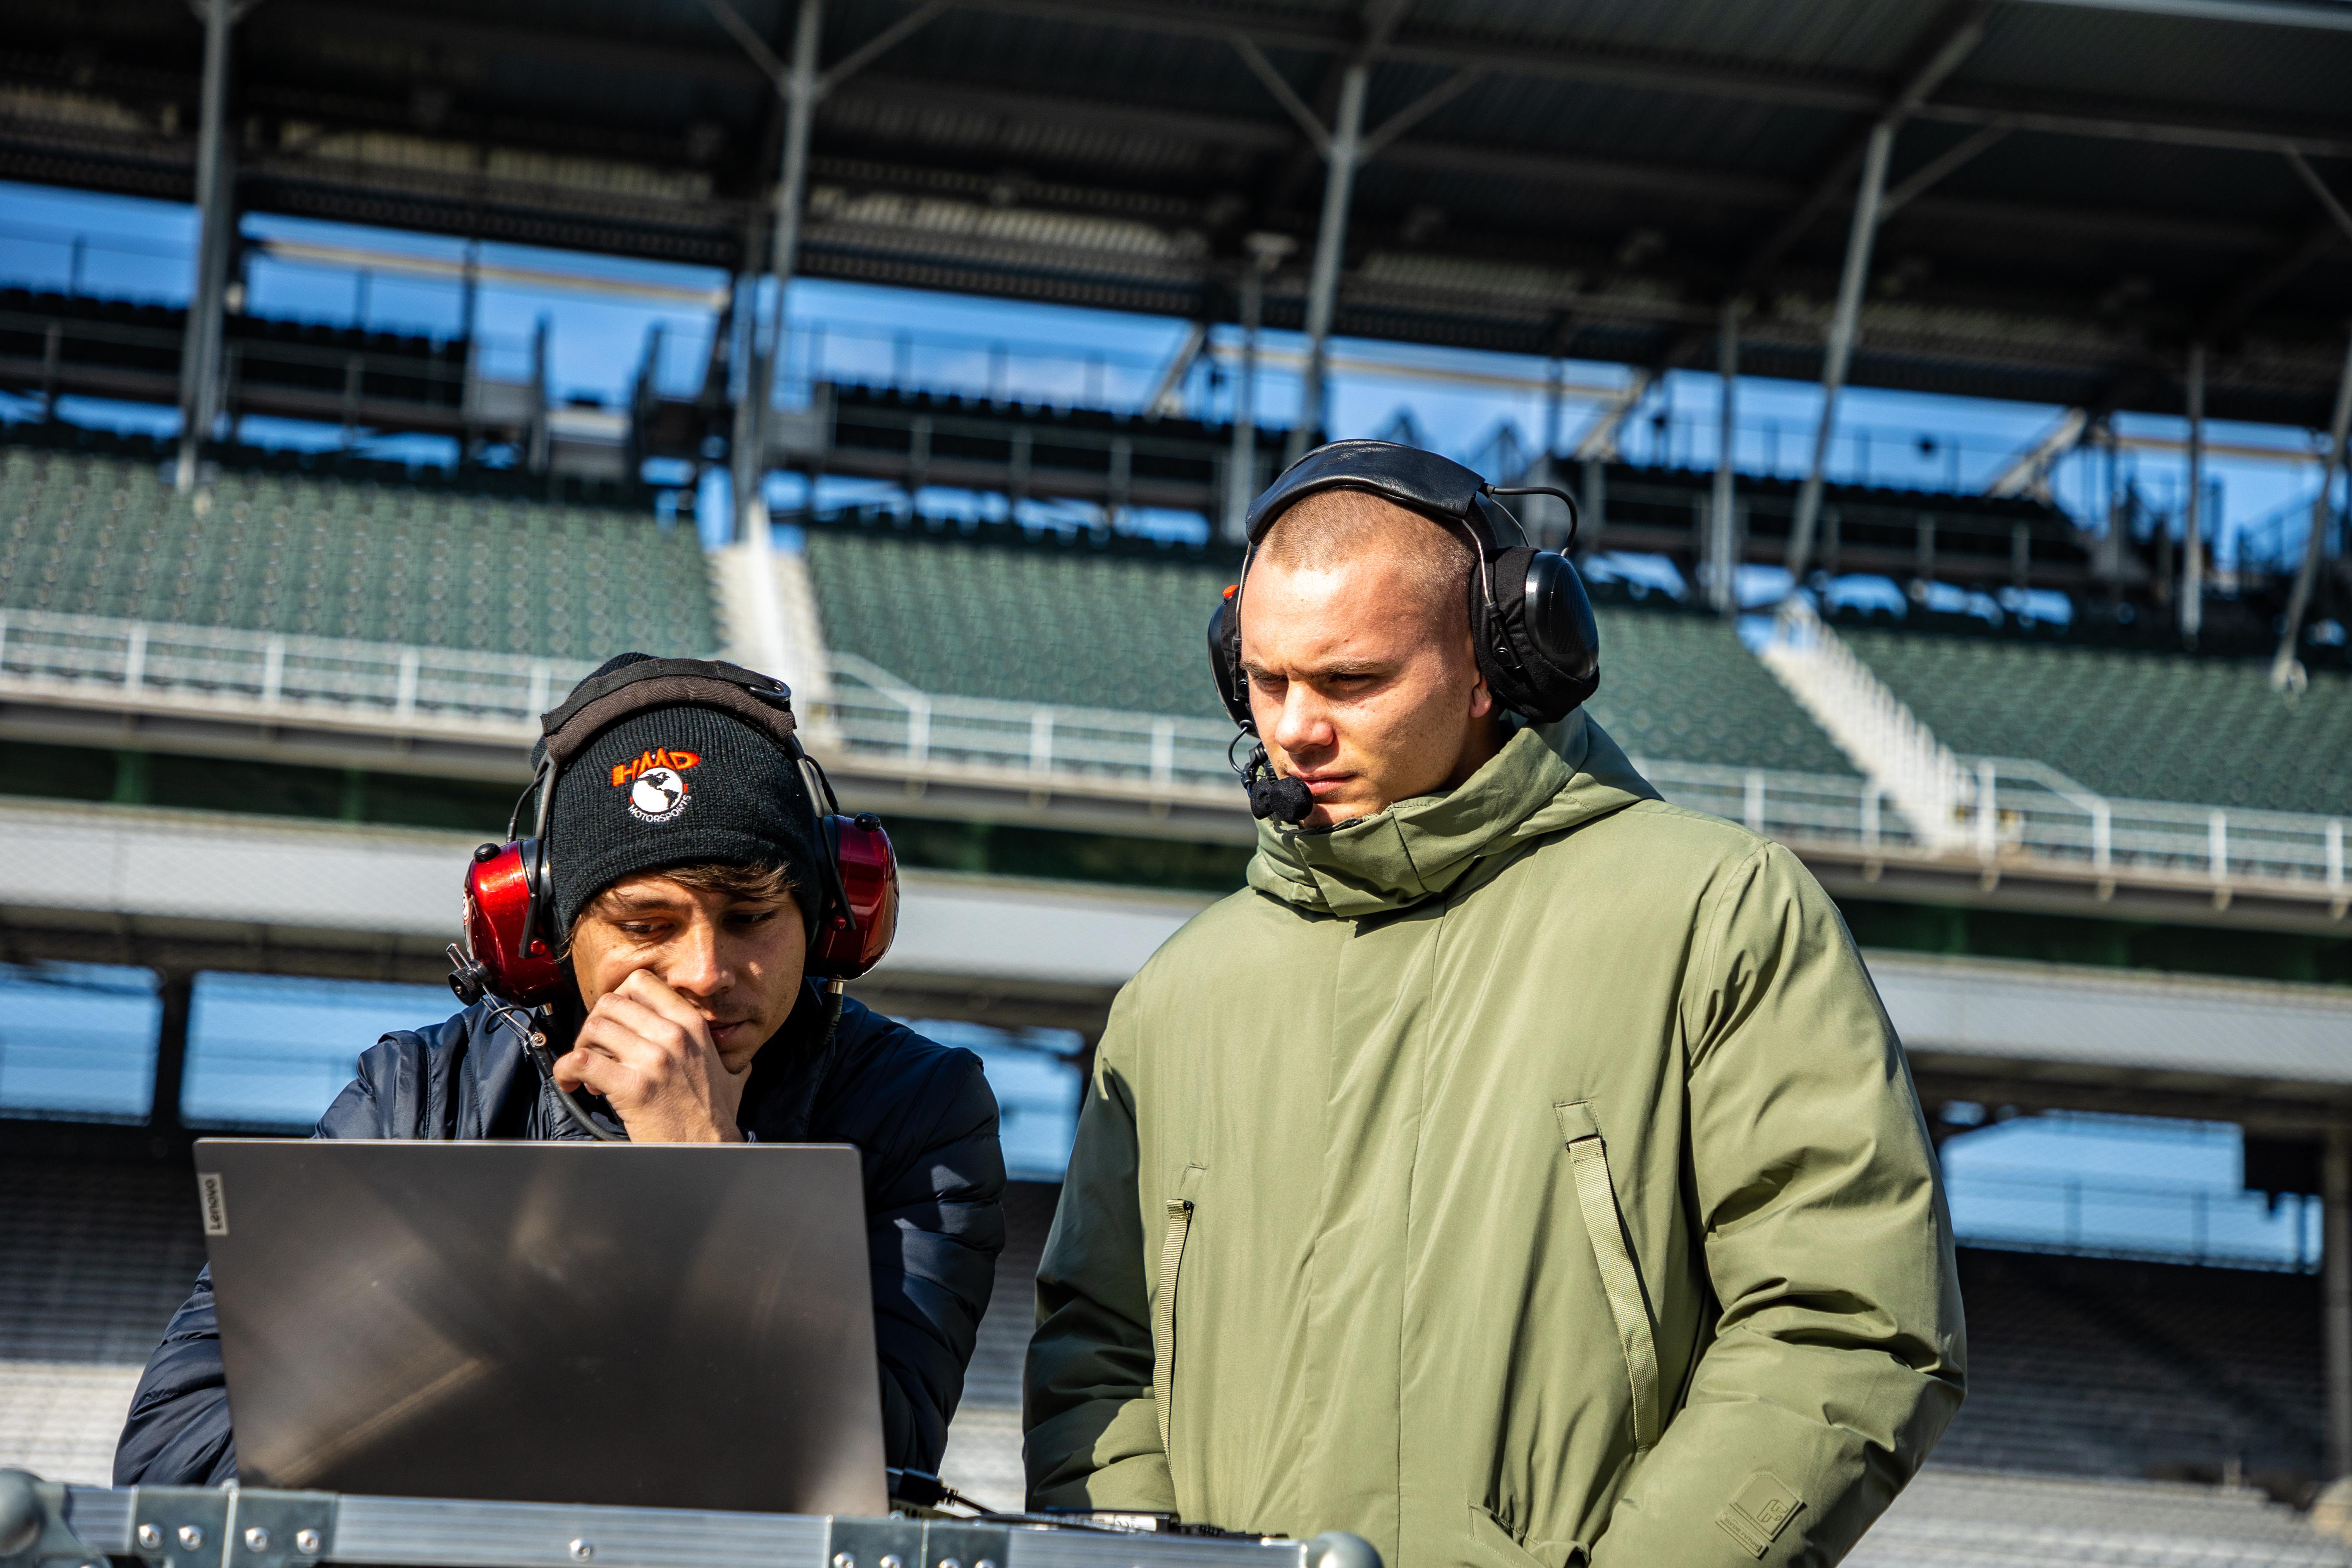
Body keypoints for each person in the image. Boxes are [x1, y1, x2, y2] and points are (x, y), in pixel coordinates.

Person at [1024, 443, 1964, 1568]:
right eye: (1268, 683)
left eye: (1351, 681)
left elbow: (1847, 1322)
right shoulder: (1175, 1000)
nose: (1296, 729)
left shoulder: (1719, 912)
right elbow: (1099, 1358)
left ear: (1499, 662)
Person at [117, 653, 1005, 1487]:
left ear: (826, 917)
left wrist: (705, 1166)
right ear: (546, 936)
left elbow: (862, 1472)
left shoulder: (921, 1111)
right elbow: (175, 1452)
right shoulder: (416, 1094)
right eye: (647, 926)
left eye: (749, 915)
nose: (703, 971)